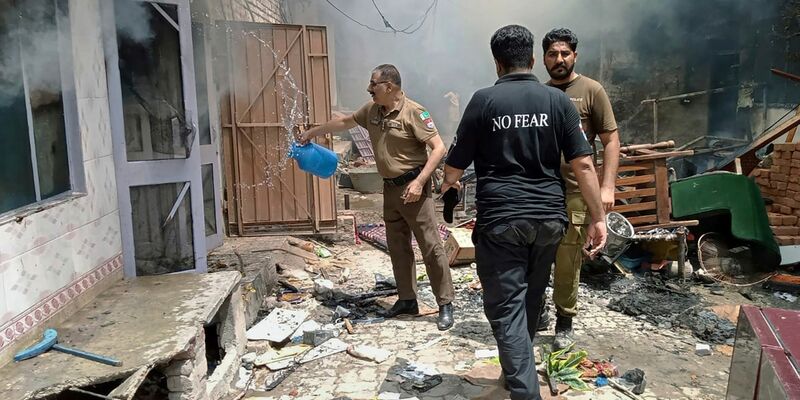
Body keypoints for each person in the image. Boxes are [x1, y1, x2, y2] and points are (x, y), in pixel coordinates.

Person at [442, 25, 607, 399]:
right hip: (550, 219)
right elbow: (583, 165)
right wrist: (599, 218)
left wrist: (446, 186)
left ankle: (523, 392)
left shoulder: (483, 101)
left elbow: (453, 171)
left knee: (505, 309)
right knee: (531, 298)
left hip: (503, 221)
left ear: (497, 63)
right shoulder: (558, 102)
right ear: (533, 60)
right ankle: (514, 377)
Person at [300, 64, 455, 331]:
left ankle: (445, 304)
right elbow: (345, 122)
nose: (369, 89)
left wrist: (420, 182)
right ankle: (407, 299)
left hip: (414, 189)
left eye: (374, 84)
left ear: (390, 87)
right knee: (397, 246)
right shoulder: (372, 110)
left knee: (430, 246)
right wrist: (313, 133)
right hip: (390, 189)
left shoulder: (415, 112)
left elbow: (439, 148)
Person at [541, 28, 620, 349]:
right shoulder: (539, 93)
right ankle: (536, 311)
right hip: (542, 189)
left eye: (565, 54)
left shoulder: (591, 91)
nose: (559, 60)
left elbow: (611, 140)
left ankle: (564, 320)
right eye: (552, 54)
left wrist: (607, 186)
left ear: (575, 55)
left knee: (568, 257)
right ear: (542, 58)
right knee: (537, 255)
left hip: (576, 189)